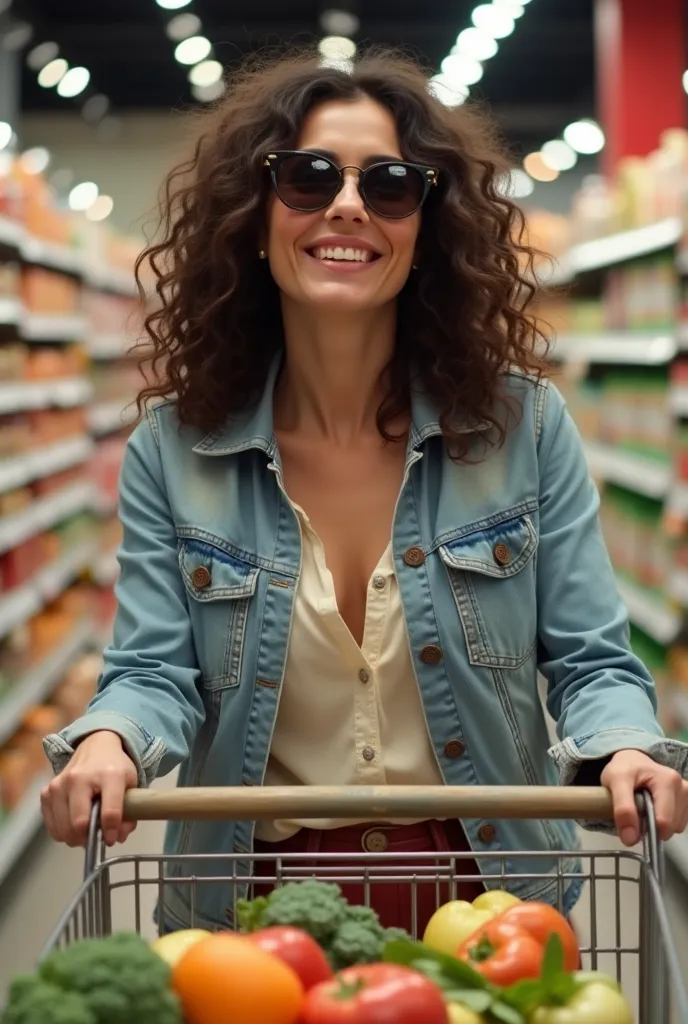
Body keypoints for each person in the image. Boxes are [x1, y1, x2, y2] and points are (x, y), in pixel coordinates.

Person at [41, 50, 688, 935]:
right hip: (252, 914)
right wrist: (110, 740)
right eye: (307, 178)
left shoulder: (522, 427)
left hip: (489, 898)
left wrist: (624, 745)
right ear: (253, 216)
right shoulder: (174, 448)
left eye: (390, 185)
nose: (347, 205)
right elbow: (154, 671)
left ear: (428, 227)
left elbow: (591, 661)